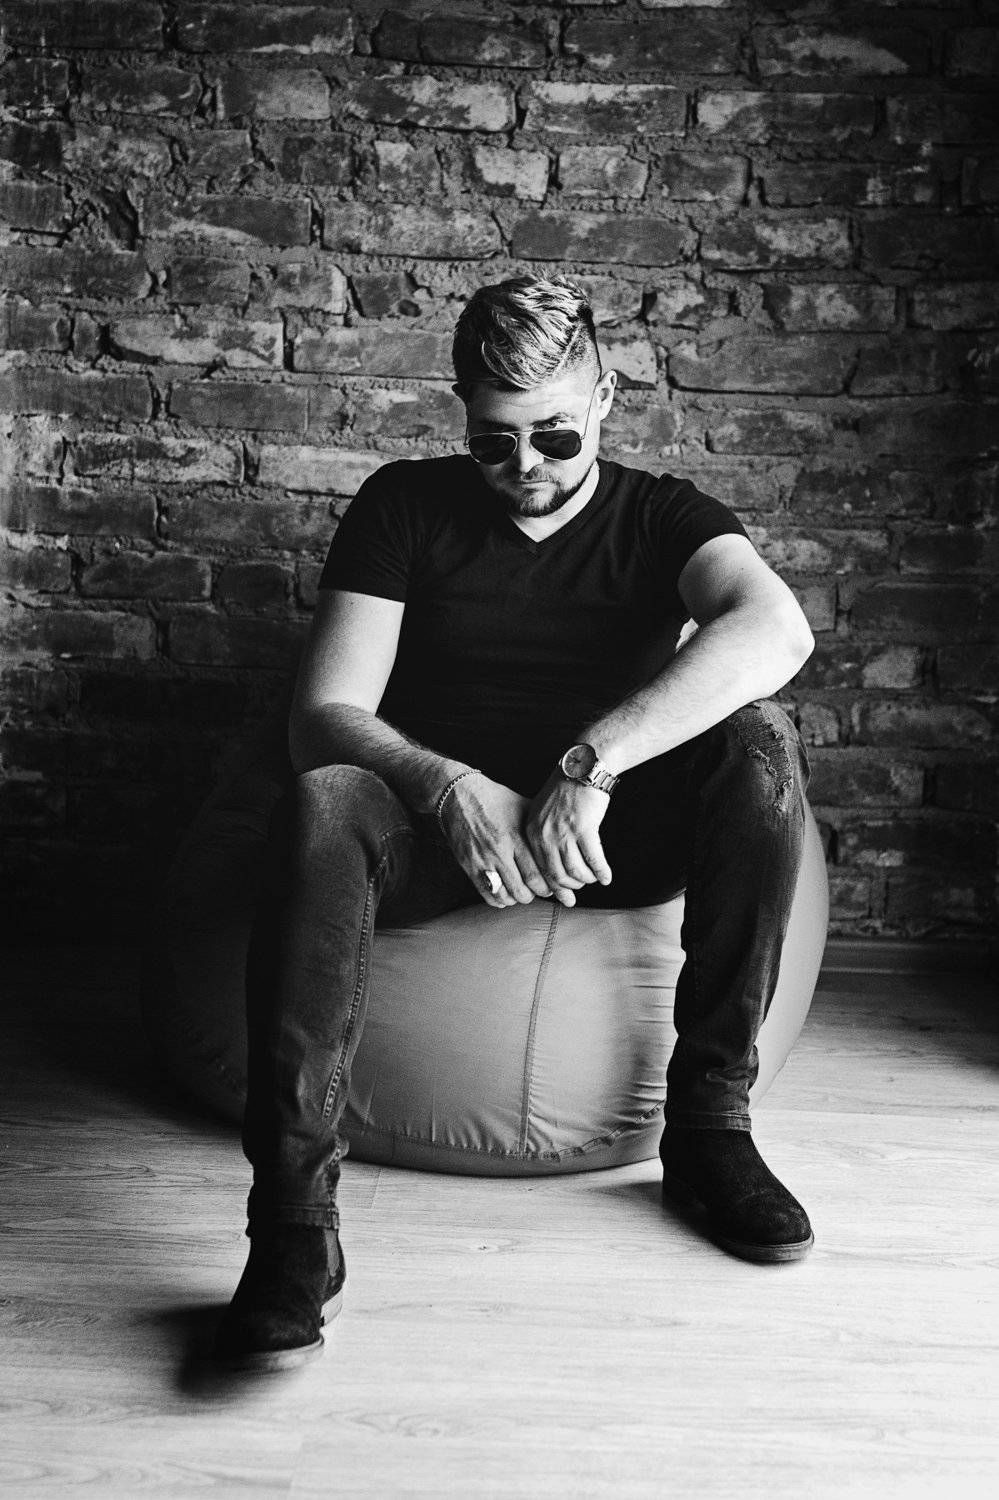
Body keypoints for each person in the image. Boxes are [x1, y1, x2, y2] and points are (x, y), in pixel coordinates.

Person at [214, 274, 817, 1372]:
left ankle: (709, 1127)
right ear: (461, 412)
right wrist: (449, 787)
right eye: (495, 442)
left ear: (606, 399)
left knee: (760, 740)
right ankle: (293, 1224)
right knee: (322, 796)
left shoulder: (663, 515)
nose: (527, 466)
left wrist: (591, 764)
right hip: (442, 840)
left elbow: (776, 630)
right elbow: (322, 717)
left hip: (605, 837)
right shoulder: (403, 504)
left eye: (555, 436)